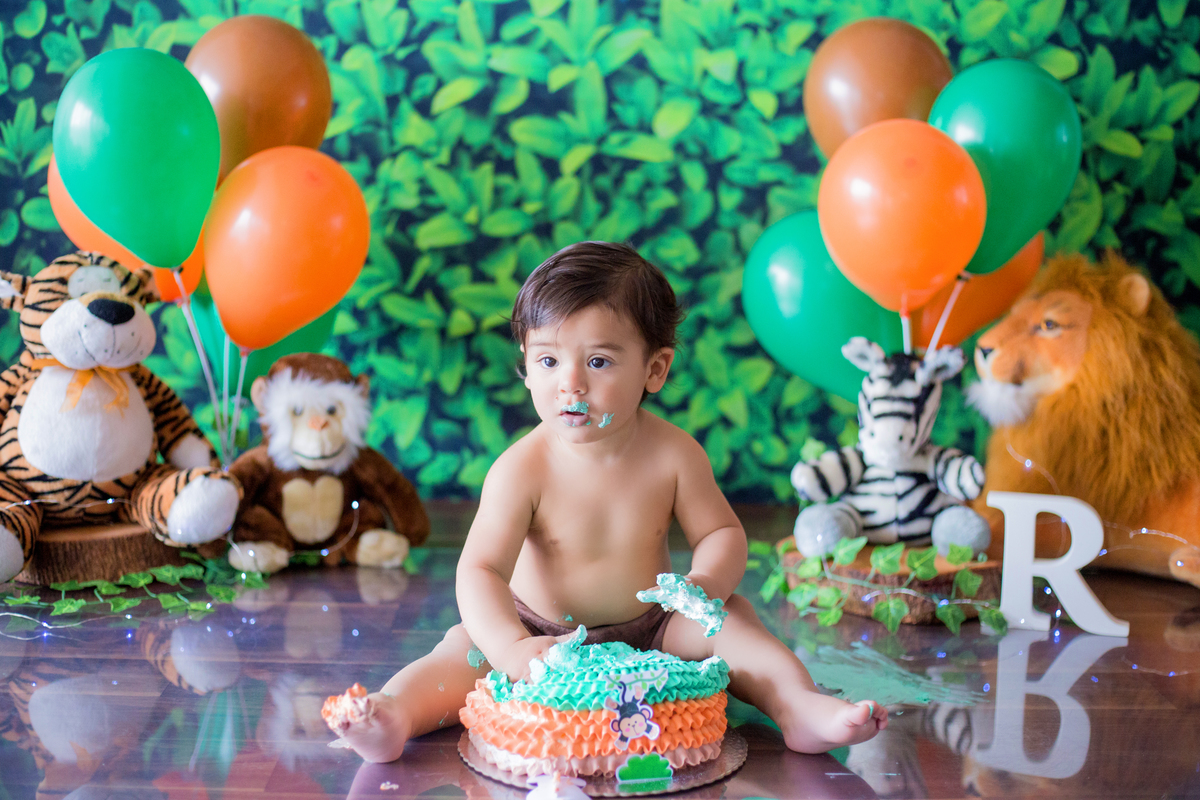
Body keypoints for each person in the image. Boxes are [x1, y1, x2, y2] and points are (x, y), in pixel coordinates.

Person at [324, 241, 887, 763]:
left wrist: (705, 587)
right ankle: (392, 715)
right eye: (547, 361)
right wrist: (513, 647)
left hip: (655, 626)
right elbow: (480, 569)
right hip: (534, 627)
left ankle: (799, 706)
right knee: (460, 656)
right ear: (526, 365)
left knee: (736, 626)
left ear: (655, 369)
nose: (570, 384)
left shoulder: (673, 454)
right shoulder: (522, 467)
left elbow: (721, 533)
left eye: (597, 362)